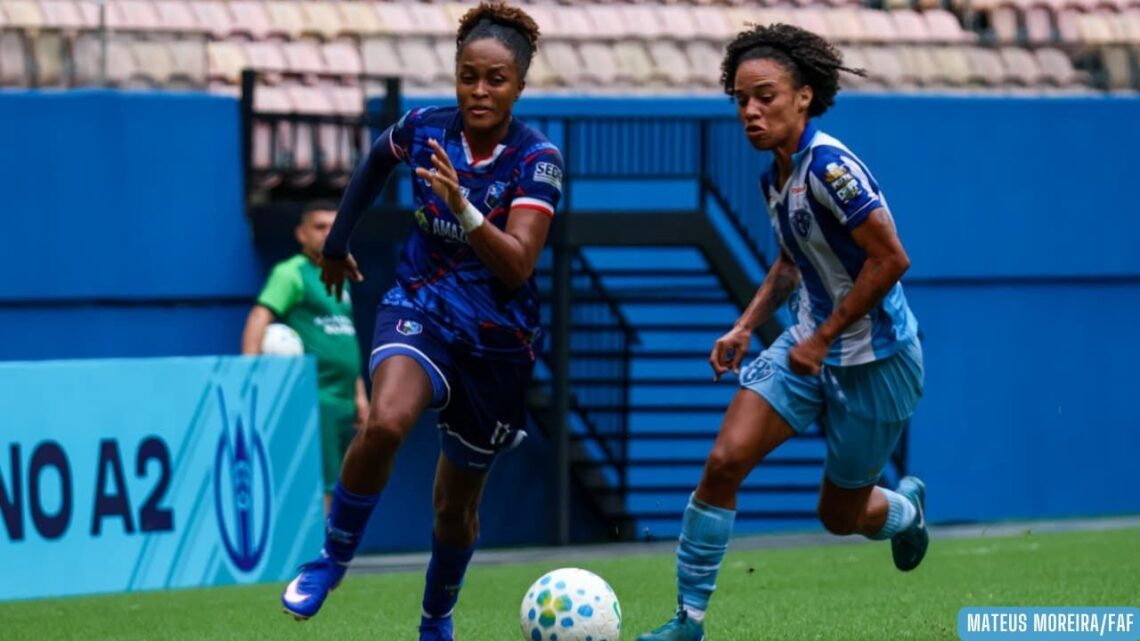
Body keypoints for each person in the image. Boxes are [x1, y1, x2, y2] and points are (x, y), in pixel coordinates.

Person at [279, 4, 562, 640]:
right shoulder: (425, 128)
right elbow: (378, 160)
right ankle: (331, 560)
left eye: (495, 80)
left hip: (496, 342)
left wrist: (462, 206)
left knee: (453, 508)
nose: (479, 91)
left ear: (519, 85)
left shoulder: (536, 161)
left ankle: (436, 619)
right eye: (468, 76)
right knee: (385, 422)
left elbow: (516, 266)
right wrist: (336, 241)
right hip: (421, 308)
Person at [637, 24, 927, 641]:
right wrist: (744, 326)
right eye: (740, 99)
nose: (749, 110)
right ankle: (689, 621)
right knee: (723, 462)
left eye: (764, 95)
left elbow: (892, 260)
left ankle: (903, 511)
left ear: (803, 95)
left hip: (876, 360)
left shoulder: (831, 167)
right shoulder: (777, 176)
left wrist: (824, 340)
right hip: (803, 346)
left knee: (839, 514)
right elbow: (793, 263)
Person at [241, 200, 369, 513]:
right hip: (316, 397)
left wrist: (360, 397)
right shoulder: (291, 273)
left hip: (344, 402)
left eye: (334, 228)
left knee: (342, 485)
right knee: (323, 489)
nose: (328, 234)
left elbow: (345, 336)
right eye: (319, 227)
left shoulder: (338, 275)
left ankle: (328, 556)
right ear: (301, 233)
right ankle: (320, 559)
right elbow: (260, 317)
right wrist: (247, 377)